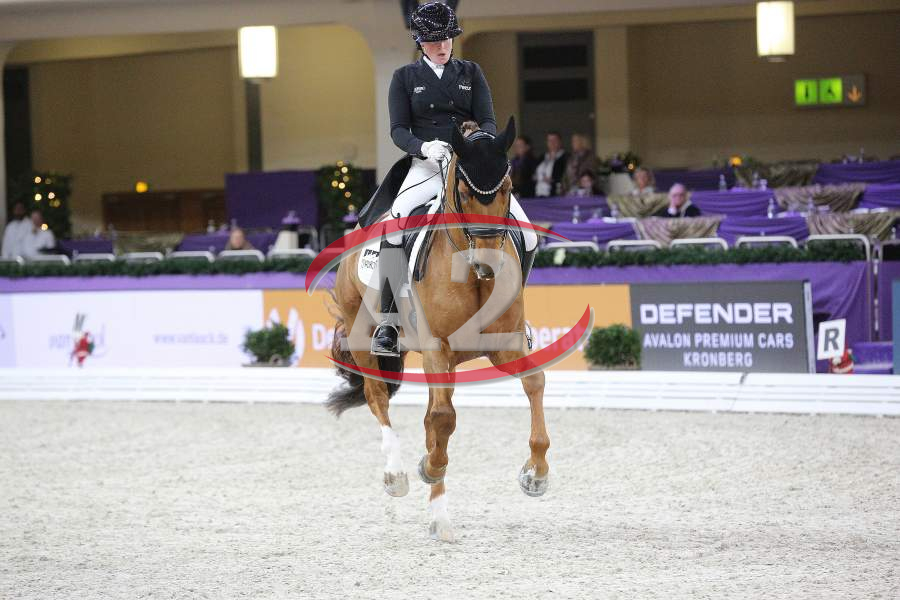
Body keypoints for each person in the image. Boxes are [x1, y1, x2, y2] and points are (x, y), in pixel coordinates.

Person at [373, 1, 539, 357]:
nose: (443, 46)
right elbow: (398, 130)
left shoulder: (470, 72)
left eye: (447, 38)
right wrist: (423, 147)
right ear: (420, 42)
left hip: (470, 164)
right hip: (428, 165)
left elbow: (489, 120)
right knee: (394, 224)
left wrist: (477, 142)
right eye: (435, 41)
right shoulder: (404, 78)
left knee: (527, 233)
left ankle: (517, 316)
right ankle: (388, 320)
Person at [534, 131, 567, 197]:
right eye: (549, 140)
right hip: (538, 192)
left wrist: (553, 180)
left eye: (555, 140)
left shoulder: (565, 157)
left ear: (560, 142)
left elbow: (565, 176)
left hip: (555, 193)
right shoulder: (542, 157)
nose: (552, 143)